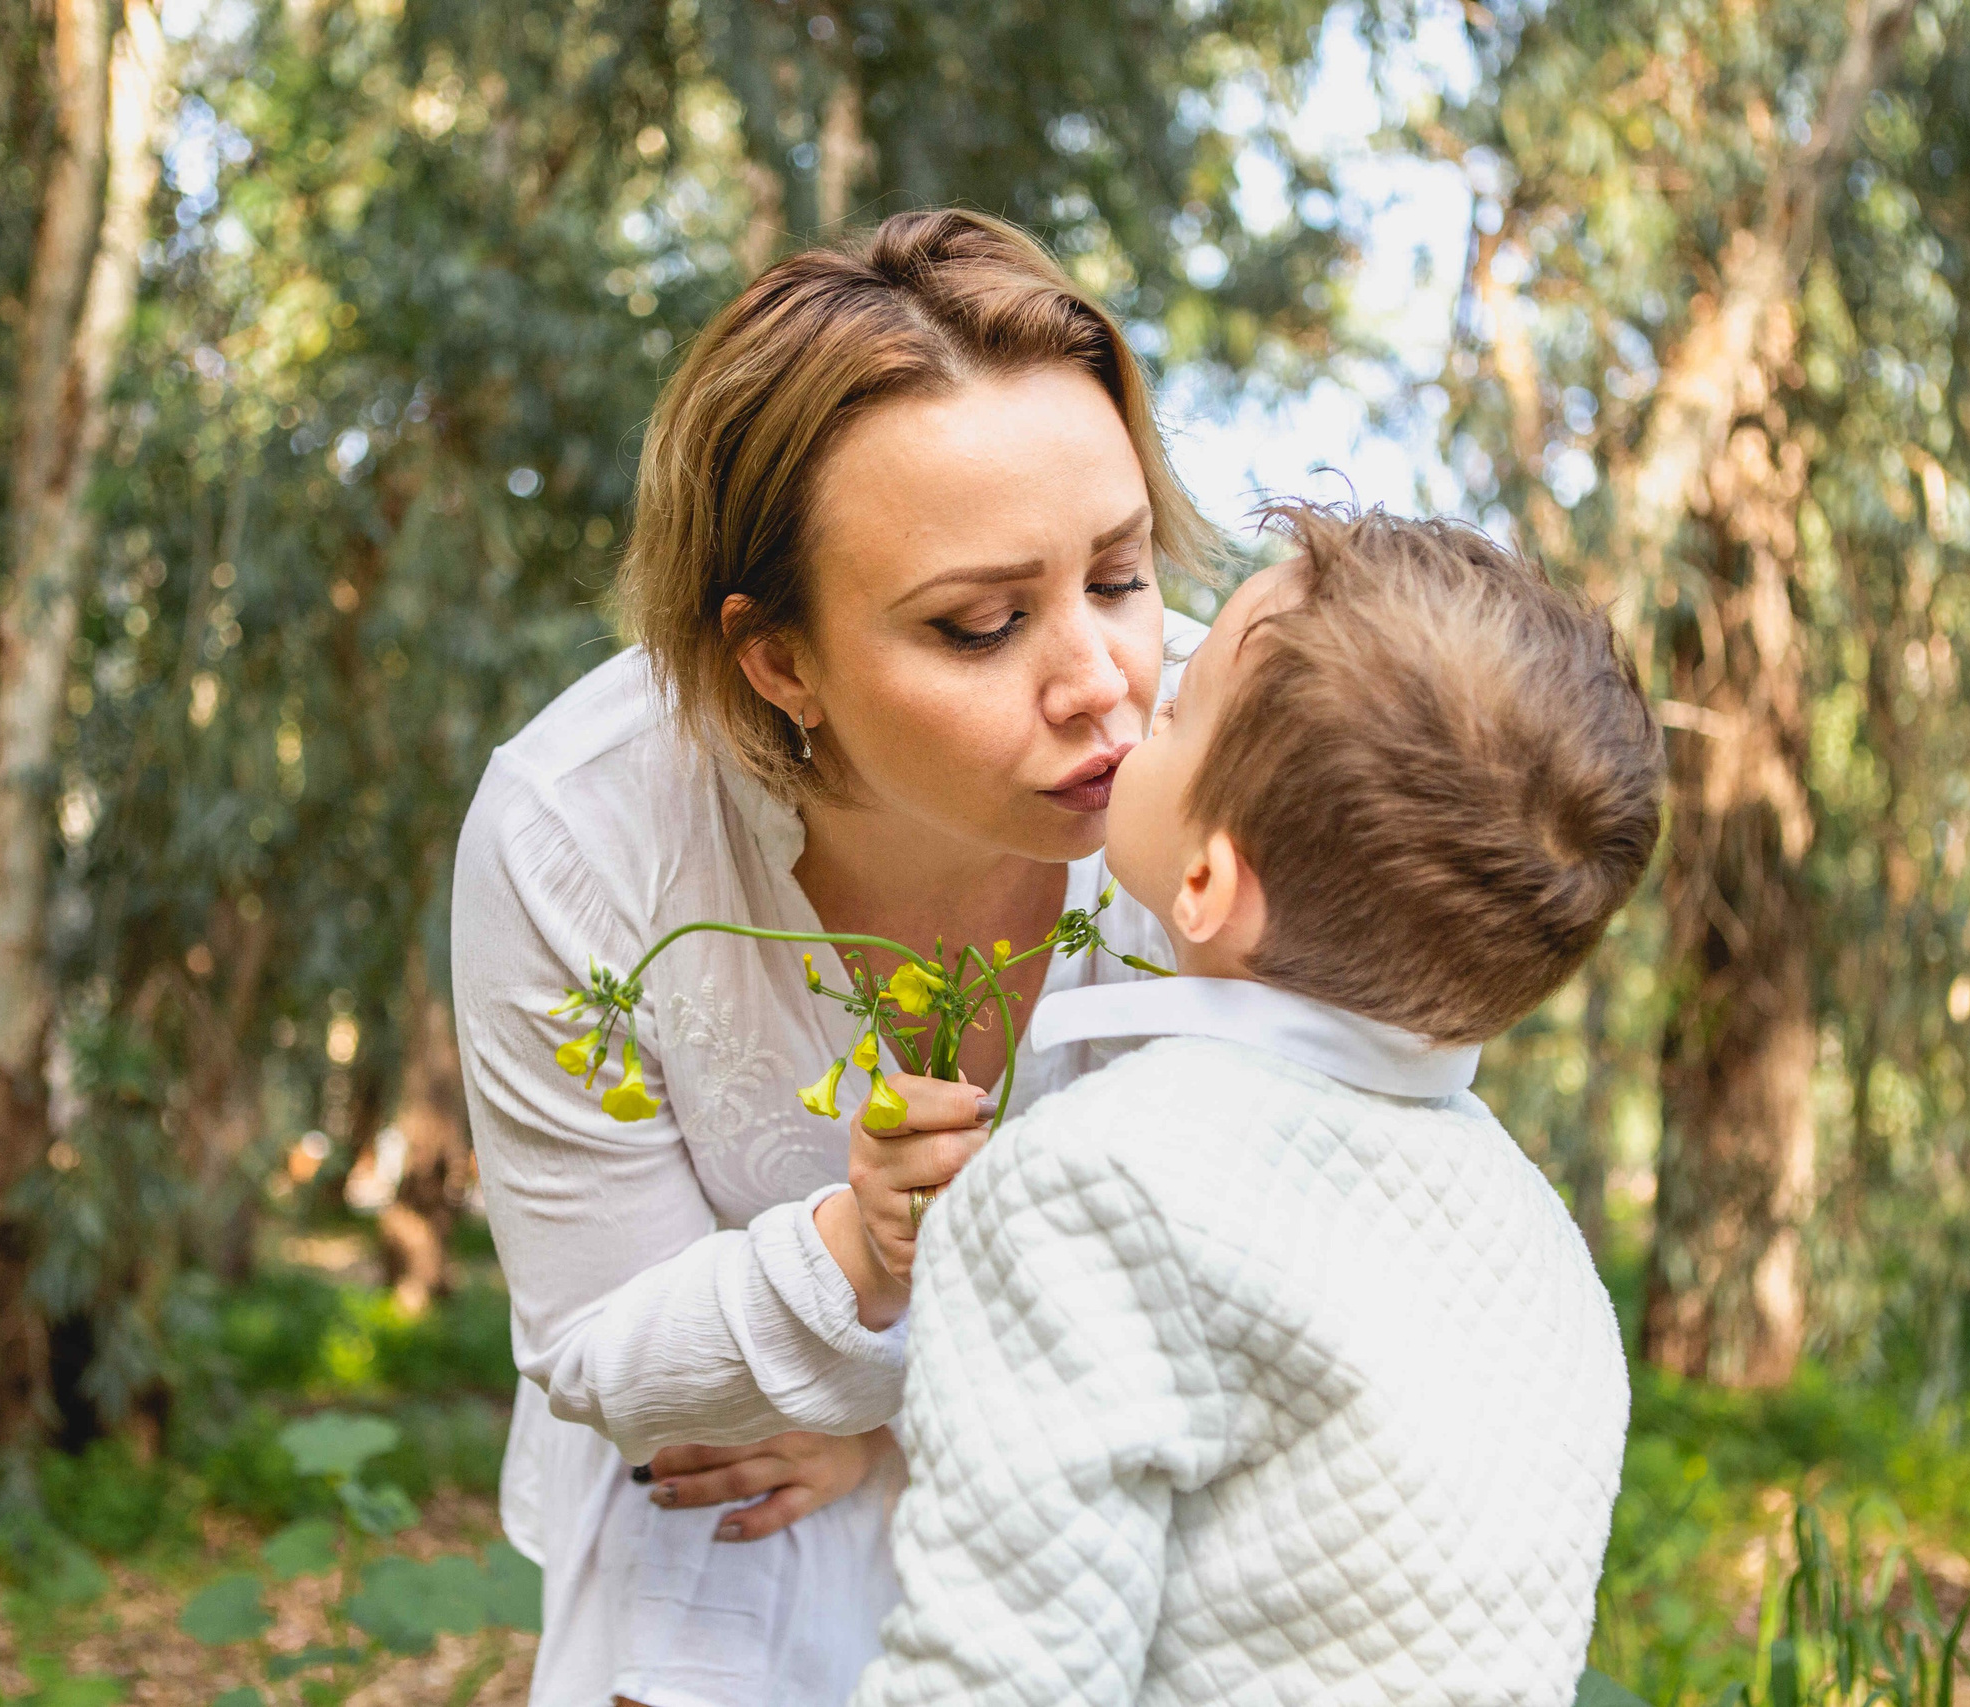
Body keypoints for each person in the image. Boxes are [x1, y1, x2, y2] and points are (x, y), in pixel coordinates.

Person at [450, 207, 1213, 1707]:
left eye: (1120, 577)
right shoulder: (577, 834)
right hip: (730, 1501)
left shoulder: (1235, 771)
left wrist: (901, 1419)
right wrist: (855, 1258)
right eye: (983, 623)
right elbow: (604, 1349)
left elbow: (1288, 1271)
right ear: (779, 660)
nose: (1102, 684)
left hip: (1117, 1498)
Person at [850, 502, 1667, 1707]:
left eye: (1177, 713)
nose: (1136, 700)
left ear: (1203, 882)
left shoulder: (1088, 1186)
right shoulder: (1539, 1243)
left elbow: (997, 1674)